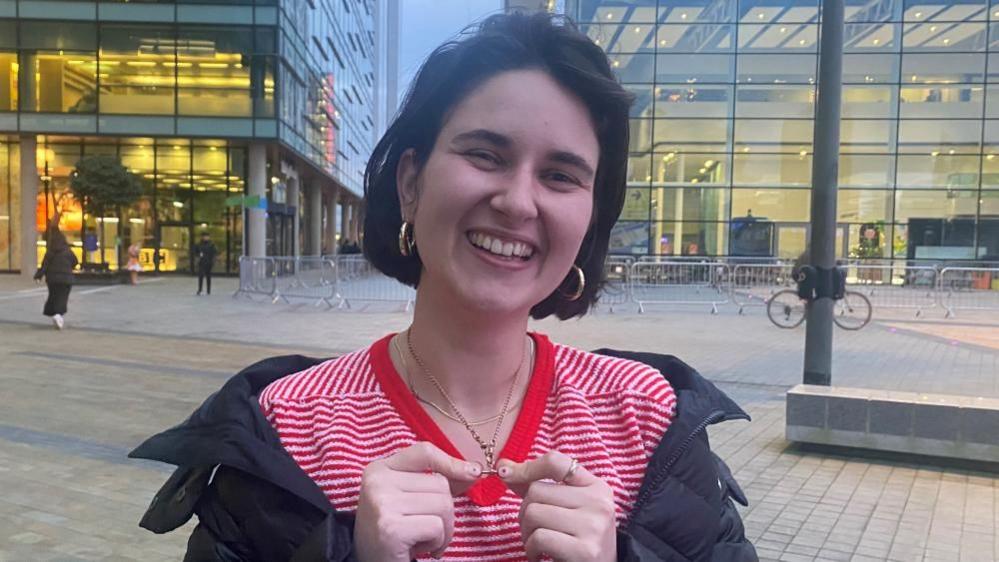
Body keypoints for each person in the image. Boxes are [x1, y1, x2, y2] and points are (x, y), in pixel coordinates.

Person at [131, 12, 757, 562]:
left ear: (592, 215)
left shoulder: (646, 415)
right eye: (485, 155)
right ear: (410, 182)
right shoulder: (292, 424)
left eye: (561, 175)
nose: (517, 202)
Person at [34, 227, 78, 330]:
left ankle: (56, 314)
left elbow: (44, 266)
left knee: (54, 296)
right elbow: (75, 262)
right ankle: (58, 315)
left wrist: (38, 276)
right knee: (62, 297)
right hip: (66, 279)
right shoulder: (68, 251)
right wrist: (69, 268)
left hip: (52, 279)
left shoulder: (50, 252)